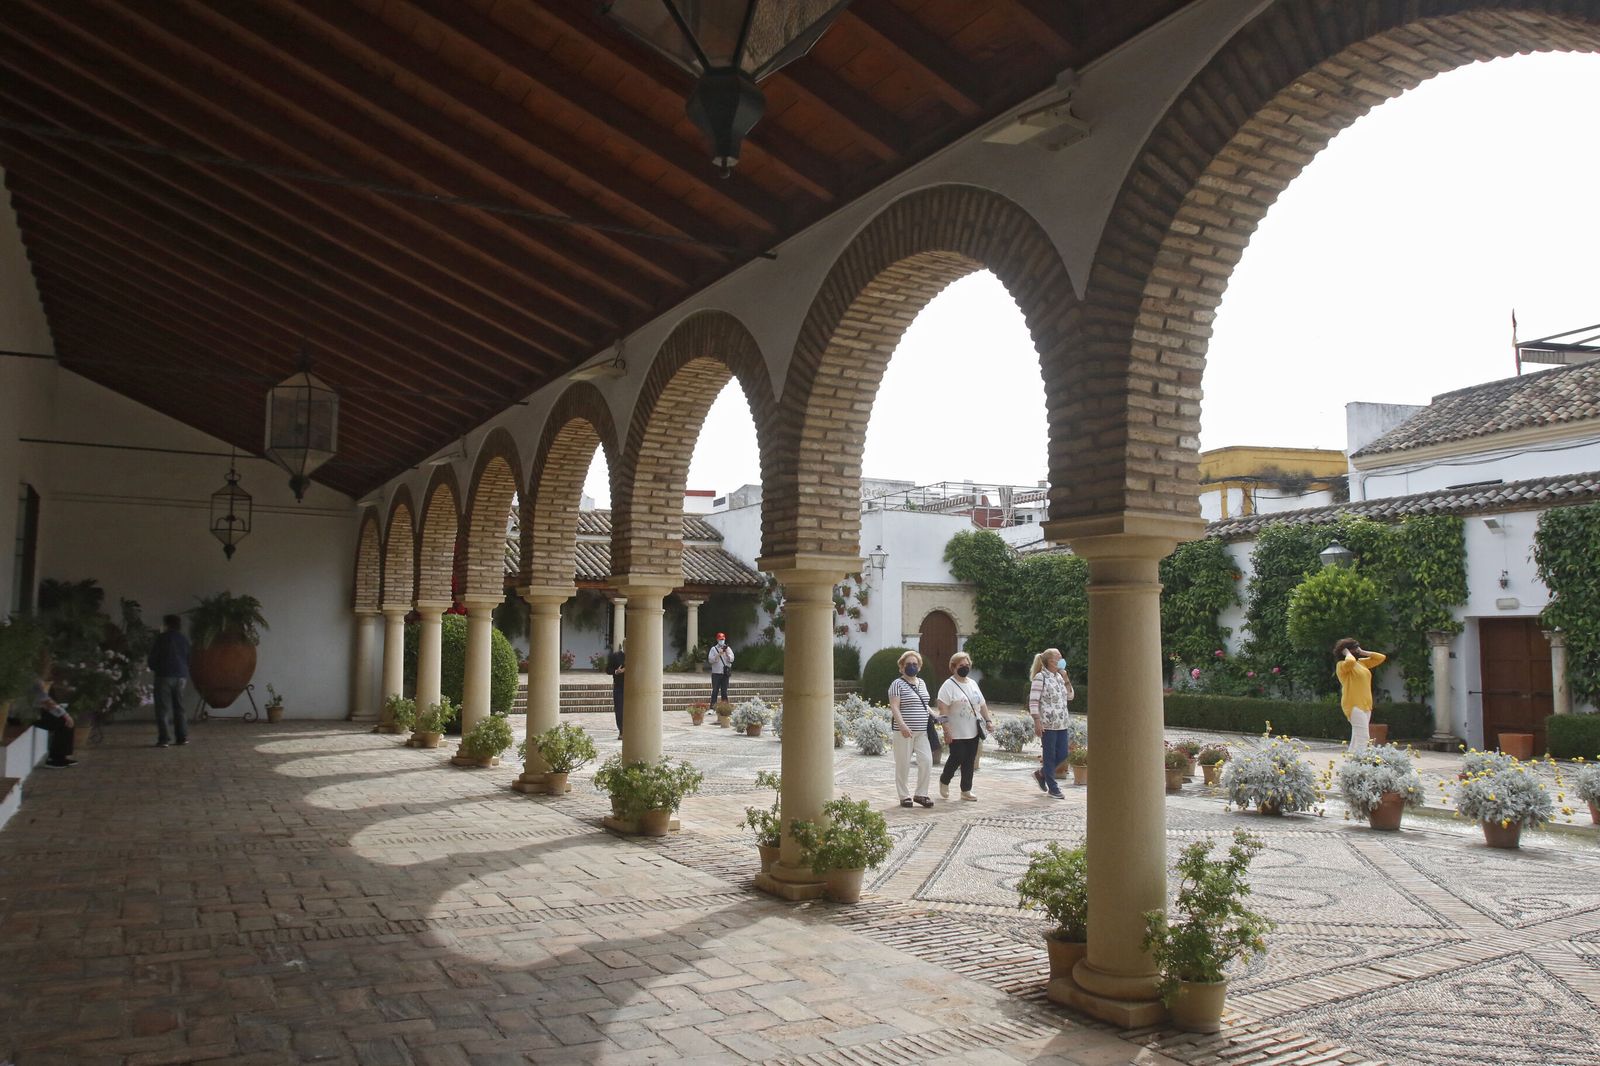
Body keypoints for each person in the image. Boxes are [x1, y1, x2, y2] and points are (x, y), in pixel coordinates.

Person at [937, 651, 994, 802]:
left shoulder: (973, 684)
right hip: (956, 731)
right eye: (961, 665)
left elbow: (982, 704)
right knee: (957, 756)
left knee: (969, 760)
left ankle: (966, 790)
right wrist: (946, 730)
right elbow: (942, 710)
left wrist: (988, 720)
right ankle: (944, 779)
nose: (965, 667)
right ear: (953, 667)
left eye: (967, 665)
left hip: (973, 730)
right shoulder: (948, 686)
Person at [1027, 647, 1075, 800]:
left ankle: (1041, 773)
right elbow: (1033, 701)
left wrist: (1066, 678)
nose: (1061, 659)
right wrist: (1037, 721)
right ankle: (1053, 788)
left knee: (1063, 754)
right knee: (1049, 756)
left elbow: (1070, 696)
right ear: (1049, 660)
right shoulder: (1040, 677)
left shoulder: (1059, 677)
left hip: (1062, 723)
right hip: (1047, 724)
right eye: (1058, 656)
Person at [888, 650, 934, 808]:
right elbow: (894, 707)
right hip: (904, 732)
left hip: (922, 732)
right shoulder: (897, 684)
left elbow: (924, 703)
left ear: (919, 667)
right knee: (903, 764)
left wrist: (935, 715)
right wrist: (902, 725)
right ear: (901, 666)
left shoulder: (922, 683)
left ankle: (921, 794)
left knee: (927, 761)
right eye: (908, 664)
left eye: (915, 664)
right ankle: (904, 796)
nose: (912, 666)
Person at [1334, 638, 1386, 754]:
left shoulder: (1361, 663)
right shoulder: (1341, 665)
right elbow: (1350, 662)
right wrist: (1347, 653)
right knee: (1364, 737)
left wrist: (1363, 652)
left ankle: (1351, 760)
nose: (1357, 650)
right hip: (1353, 704)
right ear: (1345, 651)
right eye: (1354, 648)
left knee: (1356, 738)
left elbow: (1381, 657)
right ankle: (1363, 761)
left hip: (1366, 704)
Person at [147, 613, 191, 748]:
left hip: (164, 675)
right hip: (181, 676)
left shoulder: (162, 638)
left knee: (163, 708)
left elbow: (153, 657)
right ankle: (182, 737)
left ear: (166, 624)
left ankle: (164, 739)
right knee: (179, 707)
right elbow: (189, 657)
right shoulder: (183, 639)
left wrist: (154, 667)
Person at [30, 652, 75, 768]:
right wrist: (64, 714)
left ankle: (59, 757)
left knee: (63, 720)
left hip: (31, 713)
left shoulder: (35, 677)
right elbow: (44, 700)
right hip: (26, 716)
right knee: (63, 722)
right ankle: (55, 758)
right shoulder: (31, 678)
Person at [708, 632, 734, 706]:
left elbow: (732, 659)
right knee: (715, 690)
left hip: (725, 673)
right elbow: (710, 660)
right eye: (720, 639)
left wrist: (726, 653)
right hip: (716, 673)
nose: (721, 641)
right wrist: (719, 654)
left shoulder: (728, 648)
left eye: (723, 639)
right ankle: (713, 706)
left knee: (724, 691)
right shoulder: (713, 649)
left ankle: (725, 706)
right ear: (717, 640)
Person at [606, 642, 625, 737]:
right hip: (619, 686)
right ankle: (622, 730)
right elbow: (608, 670)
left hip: (634, 687)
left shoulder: (636, 655)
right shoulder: (615, 656)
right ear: (624, 645)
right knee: (619, 709)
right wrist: (616, 671)